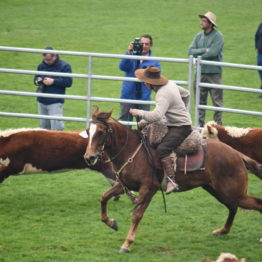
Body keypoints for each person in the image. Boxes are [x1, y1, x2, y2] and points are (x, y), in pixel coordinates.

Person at [129, 66, 193, 194]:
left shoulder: (162, 94)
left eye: (145, 81)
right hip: (173, 123)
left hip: (180, 127)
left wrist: (138, 112)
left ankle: (171, 181)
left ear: (149, 83)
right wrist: (181, 110)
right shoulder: (171, 84)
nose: (144, 83)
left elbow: (157, 116)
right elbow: (186, 94)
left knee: (163, 149)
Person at [188, 11, 224, 127]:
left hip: (214, 74)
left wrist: (199, 54)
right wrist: (205, 50)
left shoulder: (218, 36)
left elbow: (214, 52)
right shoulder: (198, 36)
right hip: (200, 73)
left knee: (217, 102)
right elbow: (190, 51)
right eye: (202, 20)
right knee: (199, 101)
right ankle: (199, 127)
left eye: (204, 21)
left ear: (210, 23)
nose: (201, 22)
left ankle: (218, 126)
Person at [119, 34, 161, 124]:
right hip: (128, 96)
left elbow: (156, 77)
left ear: (151, 46)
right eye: (142, 44)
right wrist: (129, 53)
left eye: (147, 44)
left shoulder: (155, 61)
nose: (144, 46)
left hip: (144, 98)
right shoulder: (130, 56)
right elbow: (122, 67)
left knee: (144, 127)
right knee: (125, 126)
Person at [34, 46, 73, 130]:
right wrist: (40, 80)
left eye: (49, 60)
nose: (47, 62)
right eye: (45, 60)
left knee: (57, 128)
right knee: (43, 128)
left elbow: (69, 82)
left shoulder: (64, 66)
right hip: (42, 100)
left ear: (55, 56)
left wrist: (54, 81)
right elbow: (35, 80)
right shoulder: (41, 66)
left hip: (55, 101)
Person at [255, 22, 262, 98]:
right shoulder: (261, 24)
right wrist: (256, 46)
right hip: (260, 53)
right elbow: (256, 35)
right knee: (260, 70)